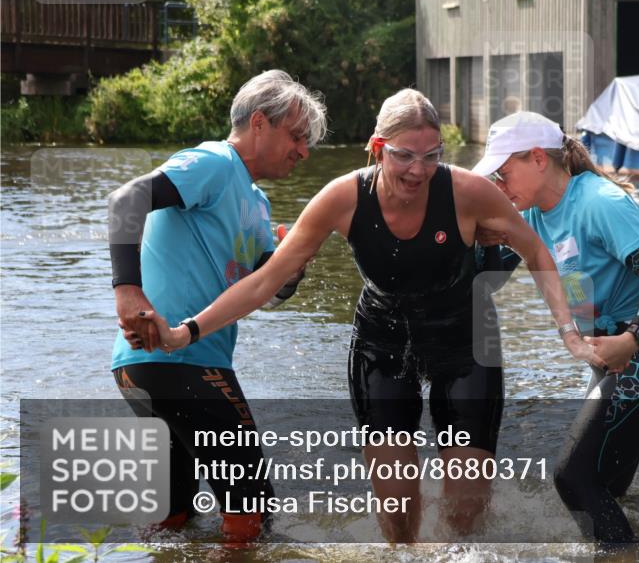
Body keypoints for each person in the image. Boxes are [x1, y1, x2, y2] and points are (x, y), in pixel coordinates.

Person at [136, 89, 601, 543]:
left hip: (465, 346)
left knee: (465, 519)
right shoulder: (342, 198)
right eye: (403, 156)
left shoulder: (469, 191)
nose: (418, 171)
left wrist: (571, 333)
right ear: (378, 150)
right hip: (382, 347)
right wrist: (185, 332)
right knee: (398, 521)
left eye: (431, 156)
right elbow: (263, 281)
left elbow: (536, 249)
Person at [109, 70, 327, 542]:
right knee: (254, 513)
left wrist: (292, 266)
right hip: (184, 361)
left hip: (143, 368)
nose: (303, 151)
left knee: (174, 516)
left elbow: (265, 290)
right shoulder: (214, 162)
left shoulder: (258, 203)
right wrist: (127, 289)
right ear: (258, 124)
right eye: (296, 136)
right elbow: (127, 199)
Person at [471, 111, 639, 545]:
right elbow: (490, 278)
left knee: (571, 477)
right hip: (607, 360)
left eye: (504, 171)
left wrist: (631, 340)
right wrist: (479, 241)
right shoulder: (532, 214)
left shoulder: (598, 202)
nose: (498, 184)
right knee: (602, 485)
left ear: (538, 159)